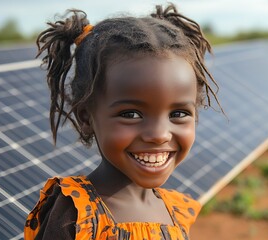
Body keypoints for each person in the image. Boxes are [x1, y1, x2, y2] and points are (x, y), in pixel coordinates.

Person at [24, 3, 221, 239]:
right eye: (131, 114)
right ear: (86, 117)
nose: (159, 134)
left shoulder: (177, 211)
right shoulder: (75, 215)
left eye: (178, 114)